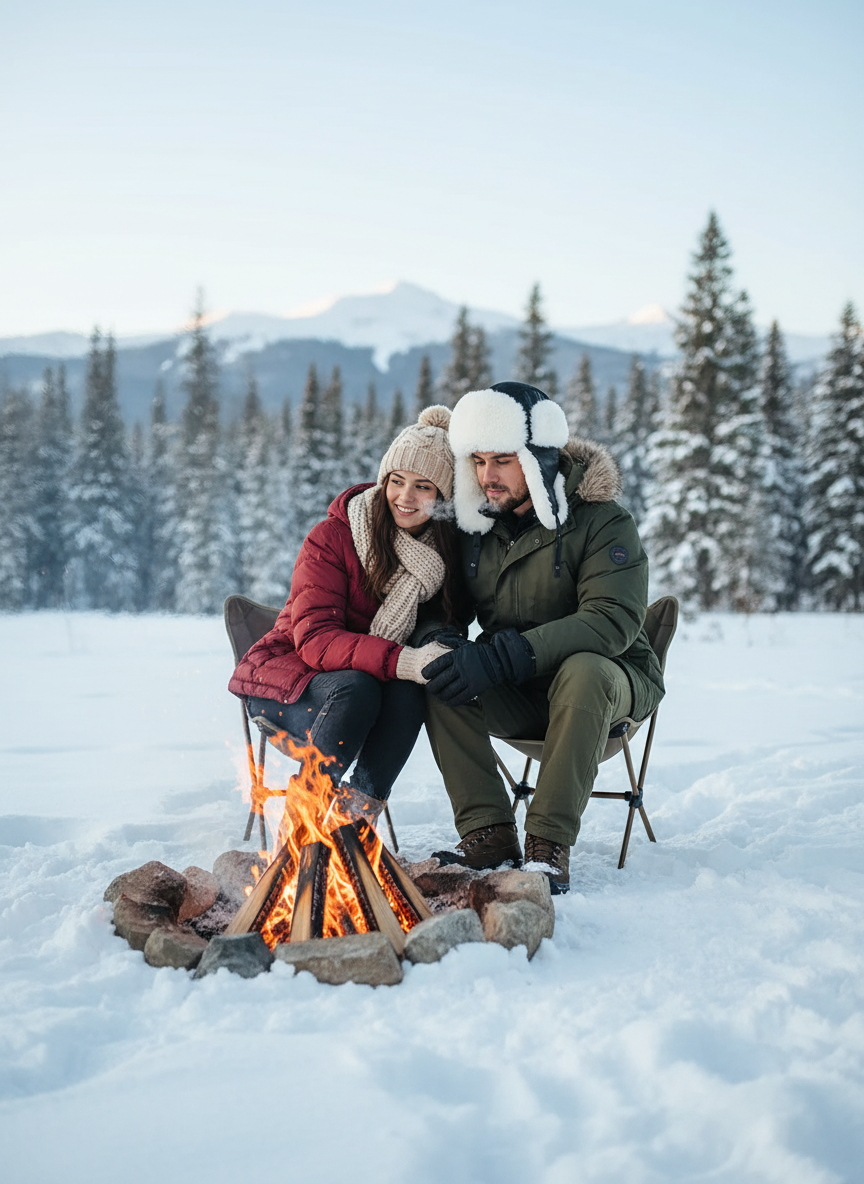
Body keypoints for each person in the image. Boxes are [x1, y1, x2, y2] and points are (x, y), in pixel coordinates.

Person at [421, 381, 665, 892]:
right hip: (524, 692)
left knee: (584, 670)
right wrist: (447, 643)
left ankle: (548, 846)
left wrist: (504, 656)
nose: (488, 476)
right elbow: (448, 612)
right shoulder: (477, 530)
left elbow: (611, 622)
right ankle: (488, 834)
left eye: (503, 460)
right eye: (479, 460)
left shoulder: (603, 522)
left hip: (611, 683)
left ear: (539, 457)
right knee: (440, 673)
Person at [228, 405, 461, 827]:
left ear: (443, 497)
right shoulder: (333, 537)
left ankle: (355, 821)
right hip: (286, 684)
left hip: (360, 691)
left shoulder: (437, 560)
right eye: (396, 481)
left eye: (423, 486)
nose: (405, 497)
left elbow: (444, 624)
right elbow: (316, 641)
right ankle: (303, 819)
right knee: (359, 688)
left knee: (407, 693)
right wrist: (405, 661)